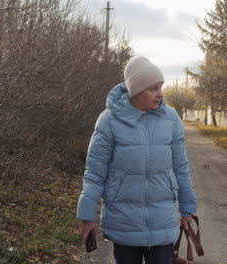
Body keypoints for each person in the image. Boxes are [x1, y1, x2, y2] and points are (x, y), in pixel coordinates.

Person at [76, 56, 197, 264]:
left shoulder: (171, 119)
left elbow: (180, 168)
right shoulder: (109, 121)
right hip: (123, 221)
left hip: (163, 220)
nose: (160, 94)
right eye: (153, 88)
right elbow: (95, 173)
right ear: (136, 90)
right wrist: (87, 216)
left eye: (161, 87)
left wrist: (187, 209)